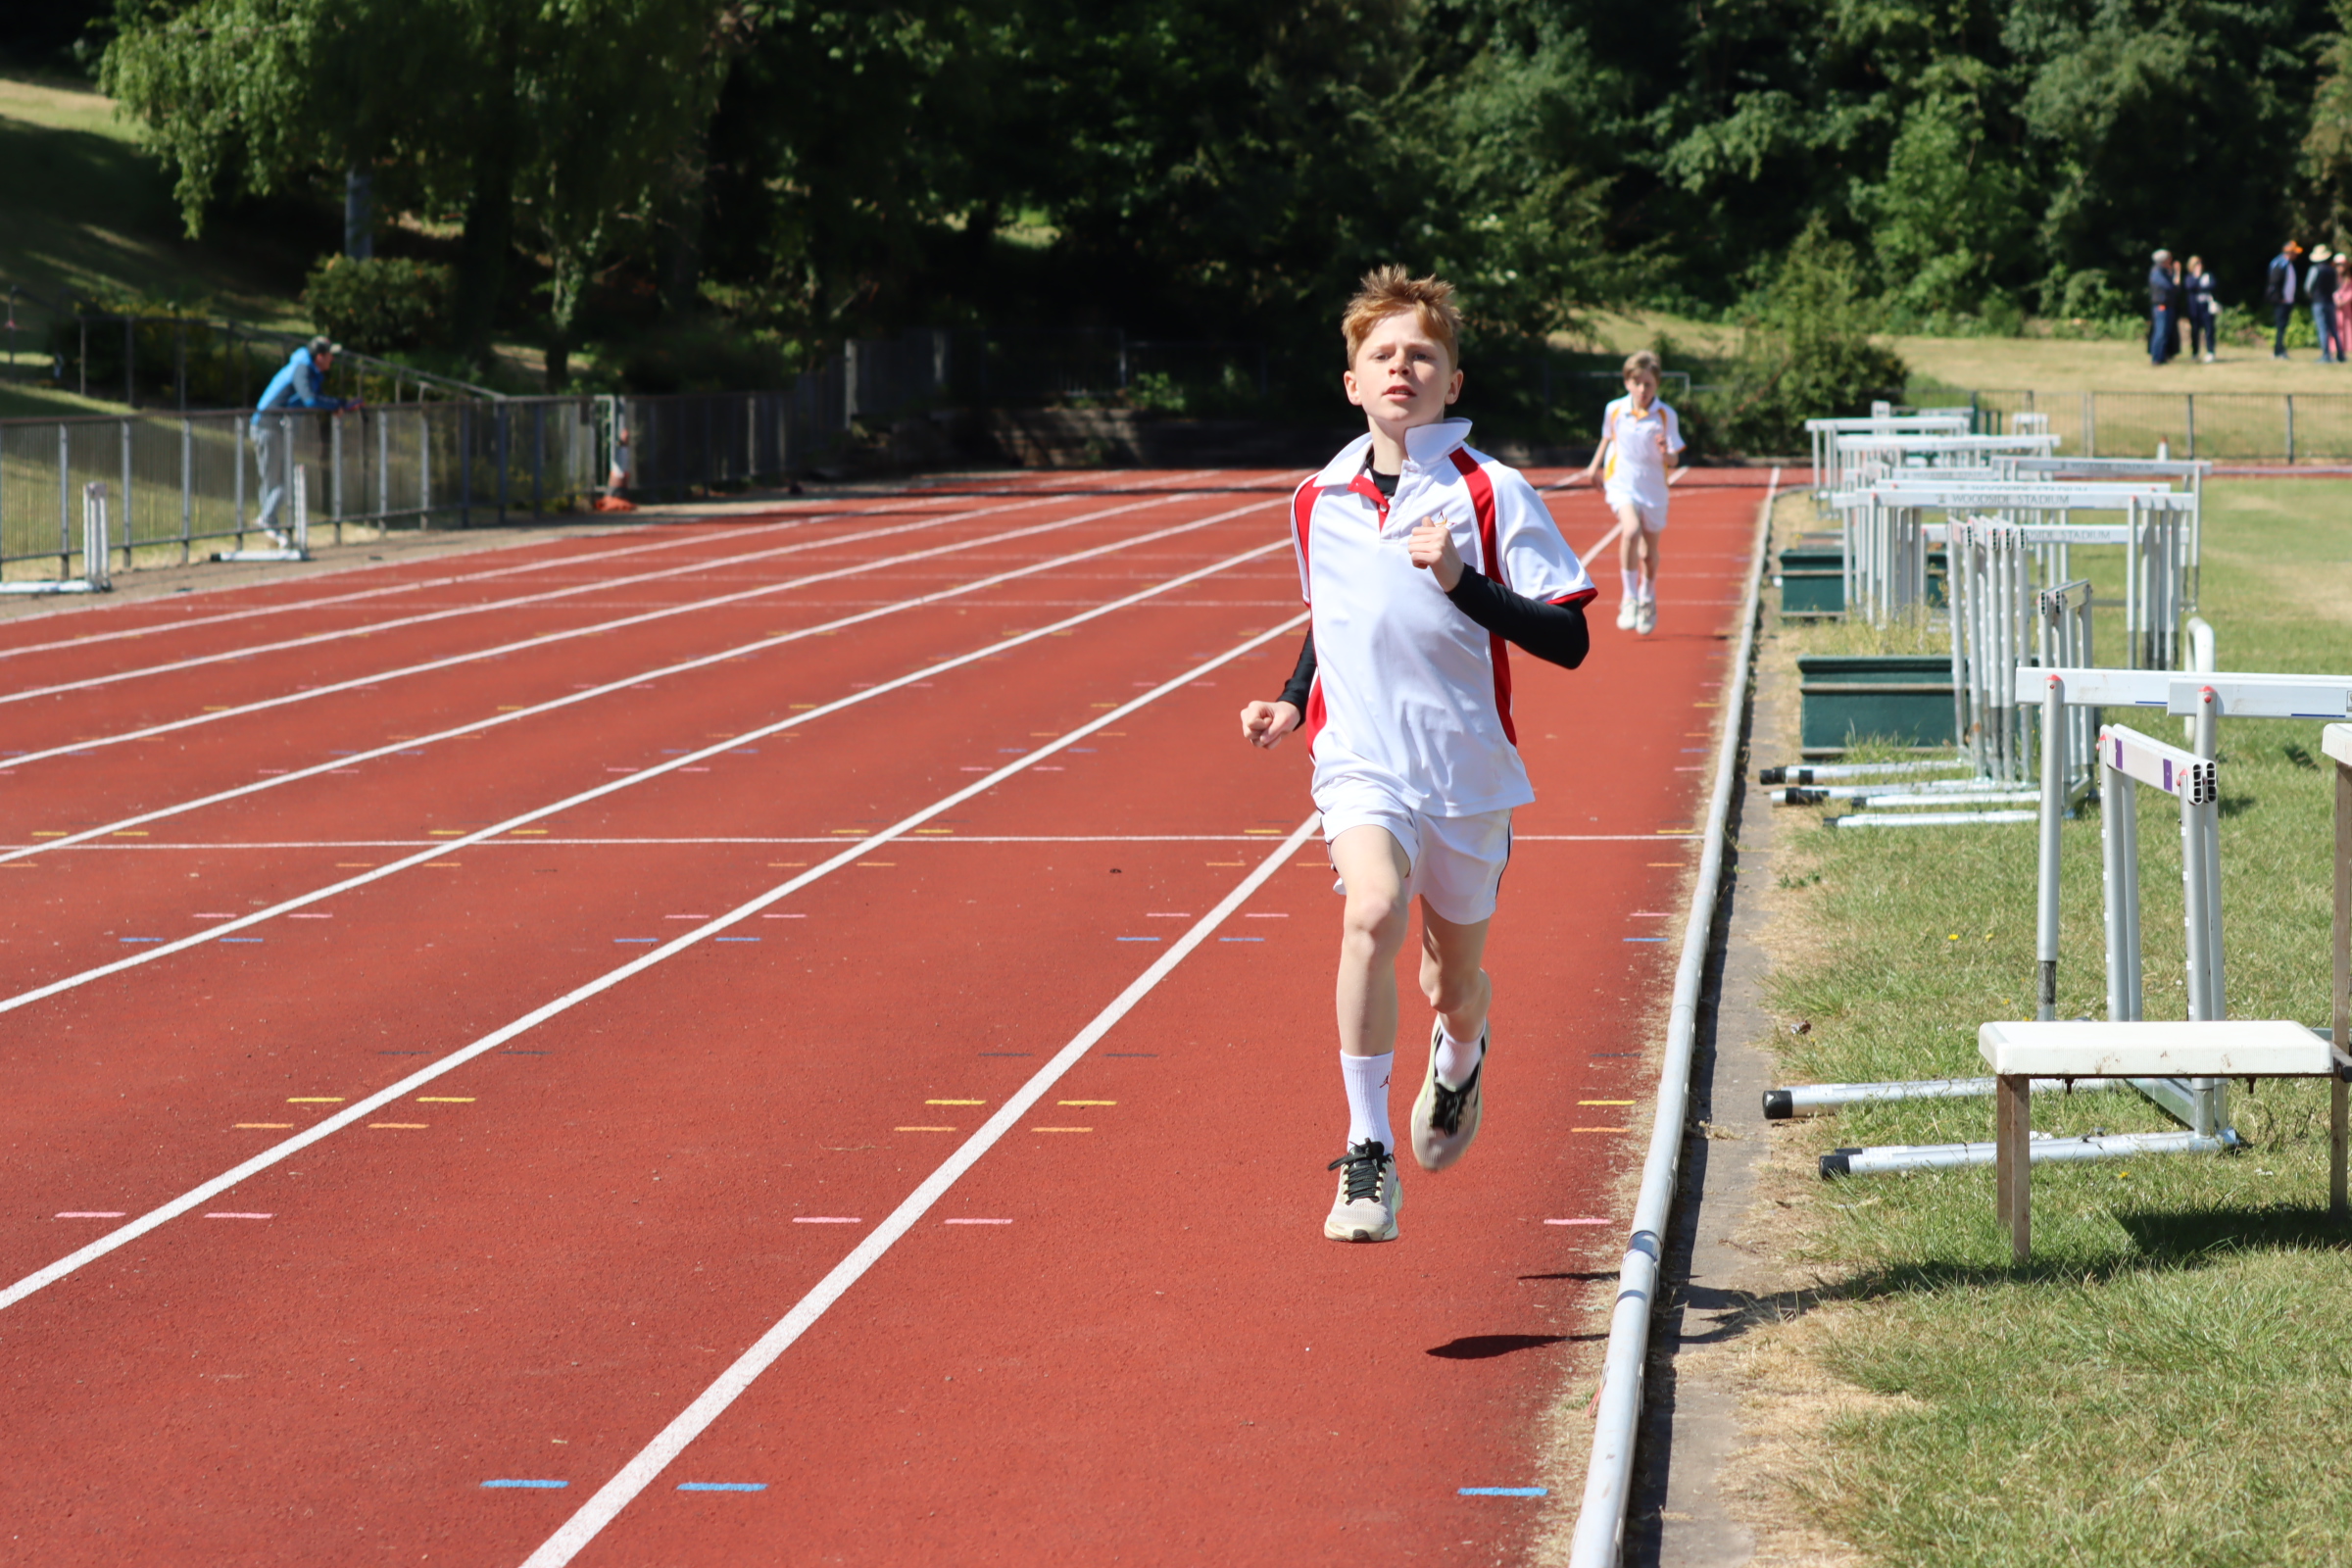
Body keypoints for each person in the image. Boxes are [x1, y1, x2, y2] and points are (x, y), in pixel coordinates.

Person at [1237, 267, 1594, 1244]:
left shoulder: (1492, 489)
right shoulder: (1317, 497)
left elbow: (1569, 639)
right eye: (1382, 354)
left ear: (1453, 381)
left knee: (1451, 984)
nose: (1402, 368)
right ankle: (1367, 1151)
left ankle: (1462, 1051)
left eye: (1422, 355)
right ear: (1352, 381)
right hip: (1361, 762)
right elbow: (1334, 617)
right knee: (1371, 910)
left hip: (1465, 776)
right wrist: (1291, 699)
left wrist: (1461, 579)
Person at [1577, 350, 1683, 634]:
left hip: (1654, 488)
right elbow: (1607, 438)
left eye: (1648, 384)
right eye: (1637, 383)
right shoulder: (1614, 409)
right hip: (1622, 483)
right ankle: (1629, 598)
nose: (1642, 390)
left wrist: (1666, 453)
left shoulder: (1665, 415)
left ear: (1656, 385)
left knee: (1649, 553)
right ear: (1627, 383)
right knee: (1631, 530)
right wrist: (1593, 467)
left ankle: (1648, 595)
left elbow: (1674, 458)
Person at [250, 336, 347, 544]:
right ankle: (267, 520)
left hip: (275, 428)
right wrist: (337, 404)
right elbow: (310, 399)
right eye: (330, 355)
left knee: (278, 480)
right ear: (319, 356)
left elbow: (316, 398)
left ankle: (268, 522)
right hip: (268, 427)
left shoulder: (311, 371)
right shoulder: (302, 368)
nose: (332, 359)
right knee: (278, 480)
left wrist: (338, 405)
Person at [2266, 240, 2303, 359]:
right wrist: (2280, 298)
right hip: (2281, 301)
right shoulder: (2280, 263)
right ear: (2289, 252)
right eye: (2294, 252)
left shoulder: (2288, 263)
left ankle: (2280, 349)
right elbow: (2274, 282)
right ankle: (2278, 351)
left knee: (2283, 326)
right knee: (2280, 326)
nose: (2296, 255)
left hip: (2288, 300)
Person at [2147, 249, 2181, 366]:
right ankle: (2156, 358)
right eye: (2168, 259)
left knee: (2166, 333)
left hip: (2168, 306)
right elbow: (2169, 287)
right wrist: (2175, 274)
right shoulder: (2157, 272)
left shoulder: (2165, 272)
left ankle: (2163, 356)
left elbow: (2175, 288)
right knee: (2160, 332)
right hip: (2161, 306)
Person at [2184, 256, 2219, 363]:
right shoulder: (2189, 277)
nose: (2199, 266)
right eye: (2196, 264)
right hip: (2194, 309)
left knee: (2209, 330)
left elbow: (2212, 286)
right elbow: (2190, 287)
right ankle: (2195, 353)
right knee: (2194, 331)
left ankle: (2210, 352)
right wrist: (2198, 278)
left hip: (2207, 307)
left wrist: (2199, 287)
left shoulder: (2208, 275)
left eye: (2200, 264)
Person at [2313, 246, 2343, 364]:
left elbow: (2308, 287)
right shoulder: (2332, 270)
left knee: (2322, 329)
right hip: (2330, 302)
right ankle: (2340, 354)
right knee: (2333, 329)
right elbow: (2336, 286)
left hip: (2318, 302)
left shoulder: (2315, 269)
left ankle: (2326, 355)